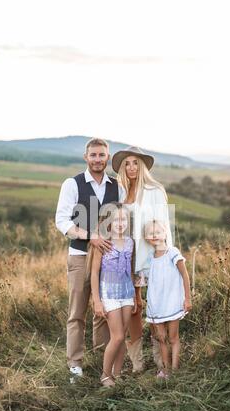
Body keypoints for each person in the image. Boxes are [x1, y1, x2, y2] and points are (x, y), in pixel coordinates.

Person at [55, 138, 124, 383]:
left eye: (101, 155)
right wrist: (89, 236)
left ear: (108, 157)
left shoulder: (118, 186)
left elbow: (125, 221)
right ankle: (75, 364)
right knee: (77, 312)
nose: (97, 159)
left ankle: (102, 360)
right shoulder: (72, 184)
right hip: (80, 256)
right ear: (86, 157)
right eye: (93, 155)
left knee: (105, 310)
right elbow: (62, 221)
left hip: (110, 260)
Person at [111, 146, 172, 372]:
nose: (131, 167)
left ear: (142, 165)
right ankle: (137, 362)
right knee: (134, 310)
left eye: (135, 162)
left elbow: (164, 226)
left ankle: (161, 362)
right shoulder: (120, 193)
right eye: (127, 164)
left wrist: (165, 258)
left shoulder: (154, 190)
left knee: (156, 309)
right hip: (127, 260)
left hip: (151, 259)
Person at [89, 203, 136, 387]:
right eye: (116, 219)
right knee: (116, 337)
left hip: (126, 293)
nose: (119, 223)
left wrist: (133, 297)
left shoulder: (130, 242)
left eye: (123, 219)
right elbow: (94, 273)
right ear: (108, 221)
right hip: (109, 294)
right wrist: (97, 301)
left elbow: (130, 271)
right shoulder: (103, 242)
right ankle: (105, 375)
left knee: (122, 338)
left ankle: (117, 373)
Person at [144, 219, 192, 377]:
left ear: (165, 233)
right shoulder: (150, 258)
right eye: (150, 233)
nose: (155, 235)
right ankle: (166, 369)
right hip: (156, 306)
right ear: (146, 237)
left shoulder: (172, 252)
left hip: (172, 303)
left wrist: (187, 298)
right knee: (161, 338)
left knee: (173, 338)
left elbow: (185, 275)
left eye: (158, 232)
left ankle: (175, 369)